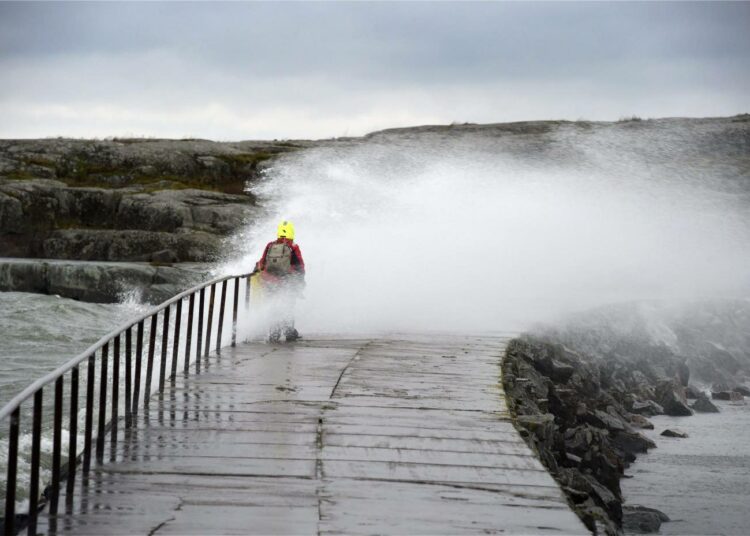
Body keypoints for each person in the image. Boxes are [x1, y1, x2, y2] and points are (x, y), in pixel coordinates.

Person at [254, 220, 305, 342]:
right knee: (287, 306)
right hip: (287, 281)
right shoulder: (293, 247)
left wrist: (257, 271)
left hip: (269, 282)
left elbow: (262, 262)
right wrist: (300, 282)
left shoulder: (270, 245)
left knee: (272, 306)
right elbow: (300, 267)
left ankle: (274, 333)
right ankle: (289, 332)